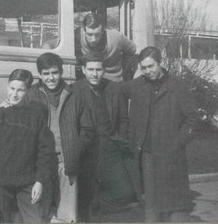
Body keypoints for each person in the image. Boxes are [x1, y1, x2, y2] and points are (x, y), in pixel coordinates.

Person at [121, 46, 198, 222]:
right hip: (147, 154)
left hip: (171, 155)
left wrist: (178, 142)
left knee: (175, 206)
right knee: (151, 204)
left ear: (160, 63)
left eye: (151, 66)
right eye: (144, 68)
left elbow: (193, 118)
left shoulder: (177, 86)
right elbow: (116, 90)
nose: (147, 71)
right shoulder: (138, 85)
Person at [23, 52, 94, 223]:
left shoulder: (75, 95)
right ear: (39, 74)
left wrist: (75, 149)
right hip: (40, 164)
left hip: (66, 162)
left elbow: (88, 129)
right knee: (41, 211)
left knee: (67, 214)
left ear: (61, 72)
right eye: (46, 74)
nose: (51, 78)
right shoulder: (31, 94)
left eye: (54, 73)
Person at [0, 69, 55, 223]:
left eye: (20, 90)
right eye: (12, 89)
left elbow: (44, 152)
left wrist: (39, 182)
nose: (14, 94)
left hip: (27, 184)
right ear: (7, 87)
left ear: (27, 91)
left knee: (35, 220)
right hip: (1, 185)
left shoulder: (36, 116)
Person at [72, 53, 137, 222]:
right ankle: (92, 210)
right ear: (83, 70)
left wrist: (120, 139)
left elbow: (123, 118)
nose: (95, 74)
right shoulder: (74, 90)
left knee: (126, 194)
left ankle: (98, 202)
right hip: (87, 150)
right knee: (85, 196)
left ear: (104, 70)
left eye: (99, 69)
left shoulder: (114, 88)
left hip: (110, 147)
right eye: (91, 69)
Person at [75, 13, 137, 82]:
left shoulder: (116, 37)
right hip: (88, 81)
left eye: (97, 34)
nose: (93, 39)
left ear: (103, 31)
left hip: (113, 82)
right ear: (84, 31)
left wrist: (124, 70)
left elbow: (132, 50)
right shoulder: (77, 36)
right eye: (89, 34)